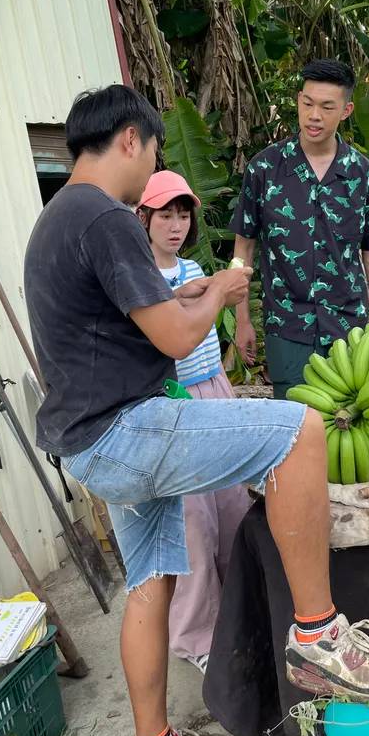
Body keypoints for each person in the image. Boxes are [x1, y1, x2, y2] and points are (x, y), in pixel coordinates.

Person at [24, 84, 369, 736]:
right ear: (128, 139)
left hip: (88, 443)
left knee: (149, 584)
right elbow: (177, 339)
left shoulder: (58, 219)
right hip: (129, 428)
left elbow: (132, 315)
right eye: (152, 150)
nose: (152, 169)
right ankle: (318, 633)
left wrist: (193, 290)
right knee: (298, 429)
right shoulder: (108, 216)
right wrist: (223, 294)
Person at [231, 58, 369, 398]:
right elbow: (243, 248)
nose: (314, 116)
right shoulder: (264, 169)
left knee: (349, 423)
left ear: (346, 110)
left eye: (327, 107)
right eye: (307, 104)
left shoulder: (363, 175)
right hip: (286, 326)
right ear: (298, 101)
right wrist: (242, 320)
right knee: (295, 426)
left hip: (348, 327)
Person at [137, 170, 251, 675]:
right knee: (191, 526)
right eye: (165, 214)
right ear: (143, 218)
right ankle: (197, 639)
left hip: (214, 391)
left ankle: (237, 615)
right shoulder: (137, 280)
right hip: (174, 404)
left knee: (233, 510)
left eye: (183, 215)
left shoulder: (193, 270)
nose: (176, 224)